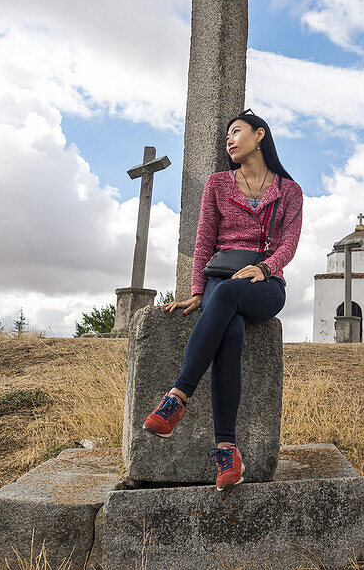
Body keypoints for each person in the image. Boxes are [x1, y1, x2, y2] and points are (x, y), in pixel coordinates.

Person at [143, 109, 303, 490]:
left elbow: (289, 243)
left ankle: (178, 395)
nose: (229, 140)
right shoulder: (217, 184)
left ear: (260, 135)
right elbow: (205, 240)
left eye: (236, 132)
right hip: (220, 281)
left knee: (232, 292)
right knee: (229, 331)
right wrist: (198, 292)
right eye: (226, 136)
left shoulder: (288, 190)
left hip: (265, 284)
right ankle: (227, 452)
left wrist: (265, 269)